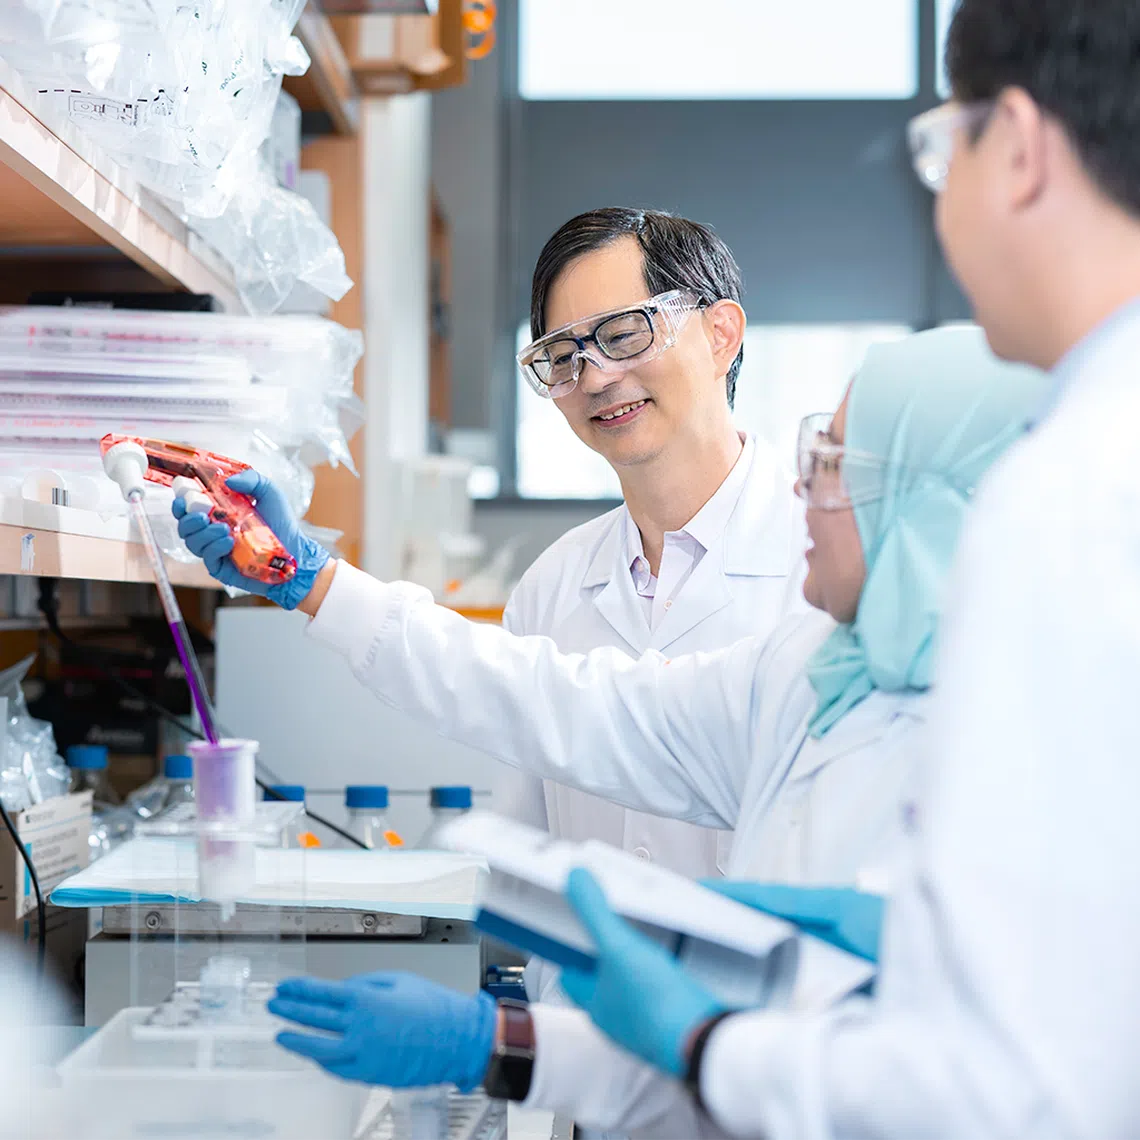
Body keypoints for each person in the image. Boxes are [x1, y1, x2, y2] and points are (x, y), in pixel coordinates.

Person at [482, 2, 1140, 1136]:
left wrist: (704, 1038)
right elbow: (532, 773)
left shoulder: (979, 536)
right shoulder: (554, 585)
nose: (594, 376)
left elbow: (1020, 1068)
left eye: (625, 335)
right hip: (622, 1076)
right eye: (561, 356)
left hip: (770, 1081)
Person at [178, 328, 1042, 1132]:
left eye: (833, 461)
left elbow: (868, 1087)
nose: (803, 487)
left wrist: (613, 1041)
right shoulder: (810, 669)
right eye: (560, 352)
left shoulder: (1022, 760)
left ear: (930, 502)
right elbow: (567, 700)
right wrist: (315, 583)